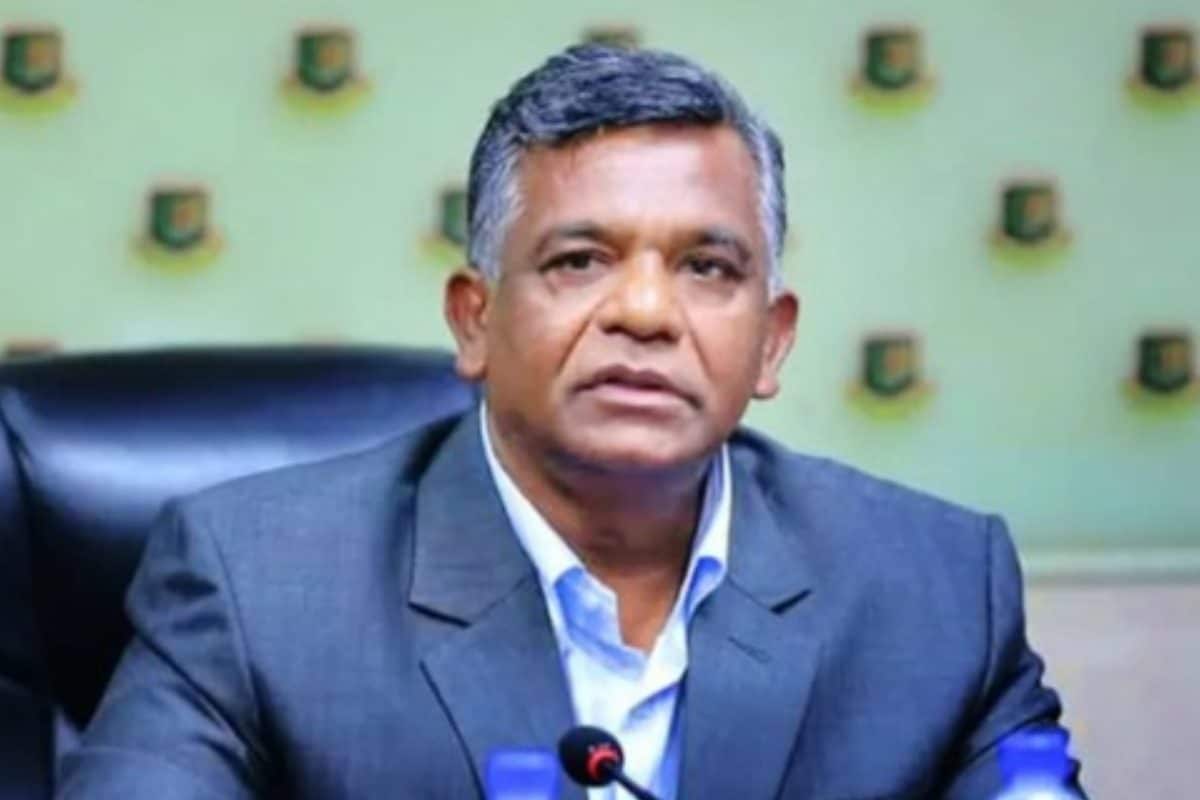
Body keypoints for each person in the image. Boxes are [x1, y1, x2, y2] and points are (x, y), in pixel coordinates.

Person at [58, 44, 1083, 799]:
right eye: (580, 260)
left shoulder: (937, 591)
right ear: (475, 320)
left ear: (772, 344)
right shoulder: (256, 586)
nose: (644, 312)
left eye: (706, 267)